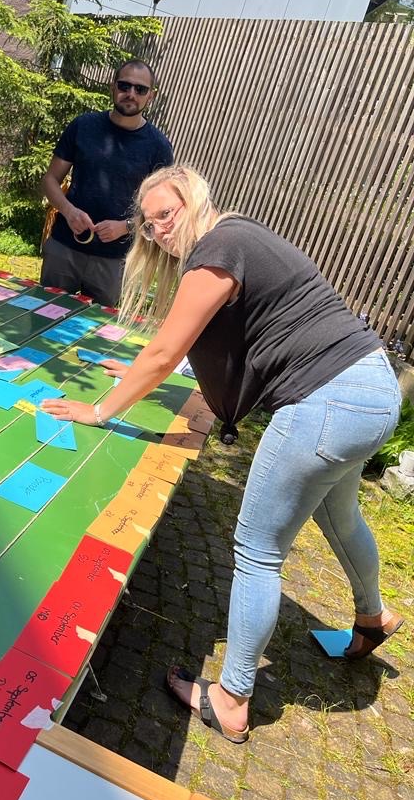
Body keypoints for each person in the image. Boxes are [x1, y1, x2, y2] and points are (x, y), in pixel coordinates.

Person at [41, 164, 403, 743]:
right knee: (340, 515)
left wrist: (101, 409)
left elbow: (165, 351)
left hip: (326, 401)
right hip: (372, 390)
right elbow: (224, 336)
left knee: (257, 550)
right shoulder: (240, 235)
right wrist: (138, 372)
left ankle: (232, 698)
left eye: (167, 214)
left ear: (194, 200)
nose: (159, 230)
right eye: (149, 223)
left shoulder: (217, 247)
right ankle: (373, 614)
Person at [40, 59, 173, 307]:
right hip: (64, 248)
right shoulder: (83, 126)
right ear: (113, 87)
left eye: (140, 89)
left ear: (151, 96)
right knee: (43, 317)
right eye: (124, 86)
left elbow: (165, 211)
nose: (131, 93)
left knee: (97, 328)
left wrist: (126, 226)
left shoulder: (159, 147)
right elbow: (50, 180)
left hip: (115, 260)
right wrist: (68, 211)